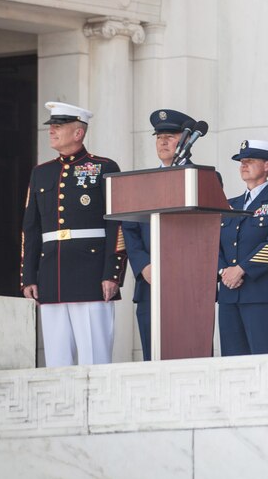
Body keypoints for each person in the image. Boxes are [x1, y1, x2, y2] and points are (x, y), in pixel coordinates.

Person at [21, 102, 126, 366]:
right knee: (56, 360)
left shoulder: (104, 167)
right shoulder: (41, 173)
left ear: (78, 133)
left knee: (95, 356)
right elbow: (31, 228)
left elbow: (117, 223)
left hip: (91, 274)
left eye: (59, 126)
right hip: (51, 274)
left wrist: (112, 274)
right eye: (51, 127)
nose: (52, 131)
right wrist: (28, 276)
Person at [121, 108, 193, 361]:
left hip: (188, 284)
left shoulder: (202, 177)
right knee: (152, 359)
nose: (163, 141)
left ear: (186, 139)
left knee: (188, 357)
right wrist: (143, 266)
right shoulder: (142, 181)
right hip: (150, 282)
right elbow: (129, 229)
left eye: (170, 135)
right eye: (159, 136)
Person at [217, 140, 268, 355]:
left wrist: (240, 270)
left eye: (250, 161)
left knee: (264, 363)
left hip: (263, 295)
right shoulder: (229, 205)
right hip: (229, 296)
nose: (243, 165)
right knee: (232, 366)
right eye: (241, 161)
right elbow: (213, 245)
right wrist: (224, 271)